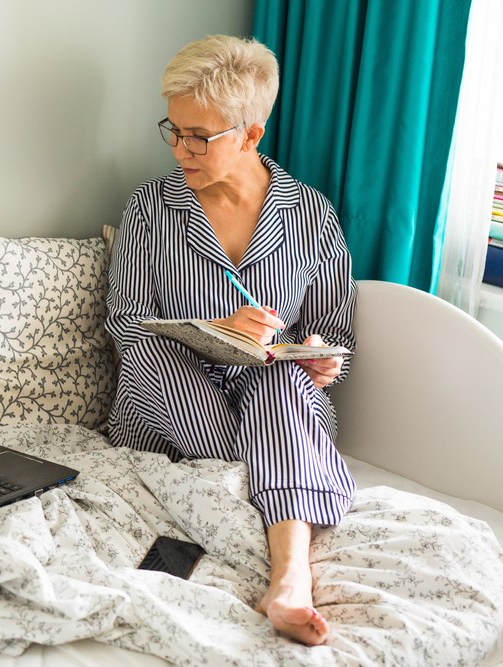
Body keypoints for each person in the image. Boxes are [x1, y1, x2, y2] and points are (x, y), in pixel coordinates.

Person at [106, 34, 356, 646]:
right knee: (153, 350)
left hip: (275, 404)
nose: (180, 147)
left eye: (200, 135)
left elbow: (333, 329)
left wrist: (322, 359)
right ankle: (282, 499)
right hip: (169, 401)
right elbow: (124, 322)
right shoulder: (151, 207)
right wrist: (214, 330)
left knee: (281, 378)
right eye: (174, 129)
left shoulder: (311, 214)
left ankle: (290, 576)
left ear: (250, 135)